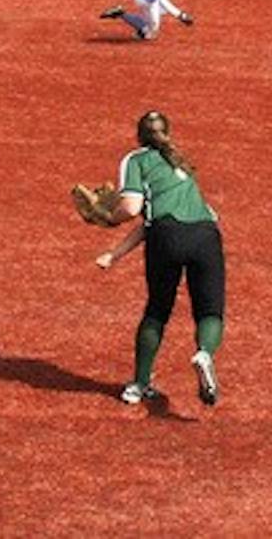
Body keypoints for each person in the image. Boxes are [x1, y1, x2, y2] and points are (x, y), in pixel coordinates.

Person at [95, 110, 225, 407]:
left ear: (139, 135)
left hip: (166, 238)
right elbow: (149, 221)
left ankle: (139, 385)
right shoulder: (179, 161)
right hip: (206, 235)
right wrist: (115, 255)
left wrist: (108, 218)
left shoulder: (137, 160)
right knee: (209, 310)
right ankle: (204, 353)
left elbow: (132, 209)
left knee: (157, 310)